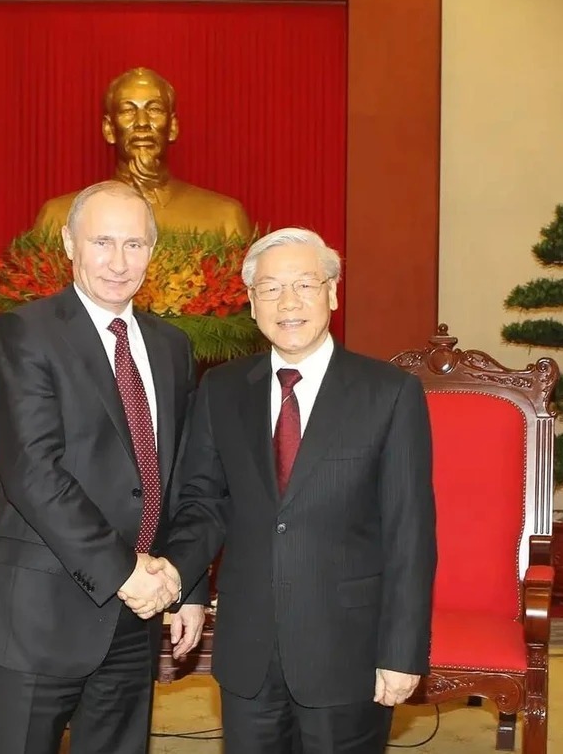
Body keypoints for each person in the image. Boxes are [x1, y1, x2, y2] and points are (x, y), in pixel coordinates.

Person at [134, 228, 438, 753]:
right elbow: (201, 501)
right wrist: (190, 588)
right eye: (271, 289)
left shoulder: (388, 394)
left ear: (333, 293)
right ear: (252, 304)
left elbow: (411, 532)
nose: (289, 302)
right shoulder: (223, 390)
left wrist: (402, 650)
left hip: (349, 648)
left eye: (304, 284)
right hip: (247, 646)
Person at [0, 180, 208, 754]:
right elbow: (35, 473)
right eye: (102, 241)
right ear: (69, 244)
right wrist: (124, 571)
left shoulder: (172, 346)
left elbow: (181, 475)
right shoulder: (24, 334)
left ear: (153, 251)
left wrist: (188, 584)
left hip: (140, 611)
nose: (119, 262)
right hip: (43, 613)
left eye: (134, 244)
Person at [33, 67, 251, 238]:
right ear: (109, 129)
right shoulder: (59, 218)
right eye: (128, 110)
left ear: (173, 127)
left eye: (154, 110)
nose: (142, 123)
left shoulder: (224, 218)